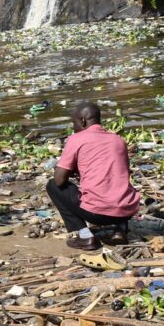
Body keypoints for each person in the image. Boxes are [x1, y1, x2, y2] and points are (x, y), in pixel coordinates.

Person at [47, 102, 139, 251]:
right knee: (119, 184)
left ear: (82, 121)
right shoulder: (117, 140)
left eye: (74, 122)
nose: (73, 127)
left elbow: (59, 180)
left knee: (53, 185)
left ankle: (84, 236)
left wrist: (72, 170)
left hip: (96, 213)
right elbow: (121, 172)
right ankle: (119, 231)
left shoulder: (76, 139)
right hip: (126, 211)